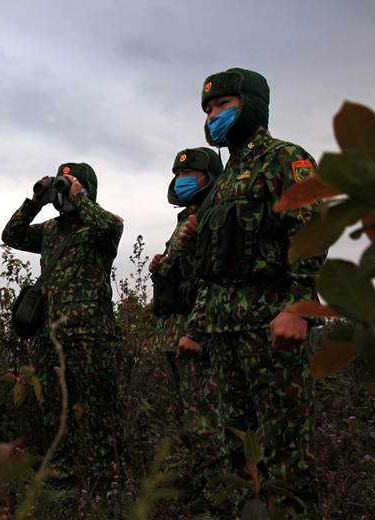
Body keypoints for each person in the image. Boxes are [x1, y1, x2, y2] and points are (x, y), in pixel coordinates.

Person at [179, 68, 322, 513]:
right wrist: (197, 327)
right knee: (237, 450)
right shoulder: (221, 182)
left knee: (284, 453)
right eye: (208, 109)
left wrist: (299, 307)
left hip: (270, 326)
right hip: (223, 334)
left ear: (251, 105)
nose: (213, 116)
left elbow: (312, 228)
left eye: (223, 105)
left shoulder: (284, 157)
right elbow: (213, 269)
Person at [1, 162, 123, 489]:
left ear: (87, 189)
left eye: (72, 183)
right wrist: (35, 201)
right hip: (51, 337)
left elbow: (110, 228)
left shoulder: (101, 227)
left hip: (91, 336)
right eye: (63, 183)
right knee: (55, 415)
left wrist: (81, 198)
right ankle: (62, 487)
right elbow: (11, 235)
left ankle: (105, 488)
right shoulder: (51, 231)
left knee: (100, 413)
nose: (64, 189)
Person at [148, 147, 222, 508]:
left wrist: (198, 330)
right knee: (188, 416)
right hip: (174, 330)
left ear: (209, 177)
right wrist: (163, 264)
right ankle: (205, 488)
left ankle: (218, 495)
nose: (182, 180)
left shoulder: (213, 213)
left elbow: (214, 275)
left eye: (190, 173)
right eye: (179, 174)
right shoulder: (186, 218)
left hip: (196, 330)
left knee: (205, 417)